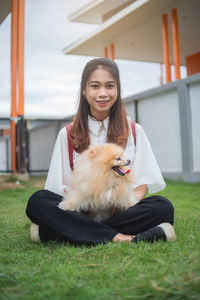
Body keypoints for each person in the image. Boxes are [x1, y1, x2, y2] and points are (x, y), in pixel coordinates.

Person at [26, 58, 176, 246]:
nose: (103, 93)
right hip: (81, 210)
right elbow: (60, 188)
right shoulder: (67, 134)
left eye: (110, 86)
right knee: (38, 201)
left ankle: (56, 231)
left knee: (162, 207)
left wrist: (122, 203)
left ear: (118, 89)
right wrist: (87, 201)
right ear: (84, 89)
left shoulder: (135, 131)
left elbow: (140, 186)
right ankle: (120, 237)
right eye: (95, 86)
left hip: (122, 211)